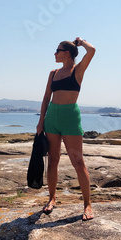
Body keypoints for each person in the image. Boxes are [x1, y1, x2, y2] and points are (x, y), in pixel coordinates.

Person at [36, 37, 96, 221]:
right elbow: (47, 97)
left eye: (57, 50)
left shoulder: (78, 70)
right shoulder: (53, 73)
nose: (54, 53)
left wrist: (81, 42)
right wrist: (41, 121)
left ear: (67, 53)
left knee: (78, 163)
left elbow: (92, 51)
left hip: (70, 117)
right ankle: (52, 198)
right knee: (53, 160)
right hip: (52, 117)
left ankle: (87, 204)